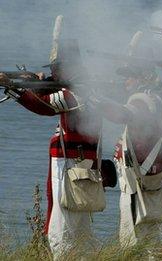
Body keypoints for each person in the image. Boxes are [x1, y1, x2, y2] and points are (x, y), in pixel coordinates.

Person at [1, 39, 103, 258]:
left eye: (58, 68)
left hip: (71, 167)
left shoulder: (77, 92)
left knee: (61, 233)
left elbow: (45, 106)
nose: (54, 73)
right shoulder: (88, 89)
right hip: (81, 166)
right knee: (79, 230)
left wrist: (11, 84)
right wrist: (31, 83)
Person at [94, 31, 162, 247]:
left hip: (136, 180)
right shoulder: (155, 98)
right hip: (147, 177)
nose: (125, 81)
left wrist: (96, 101)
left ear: (140, 78)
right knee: (150, 239)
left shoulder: (141, 101)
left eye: (130, 76)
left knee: (131, 239)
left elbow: (122, 114)